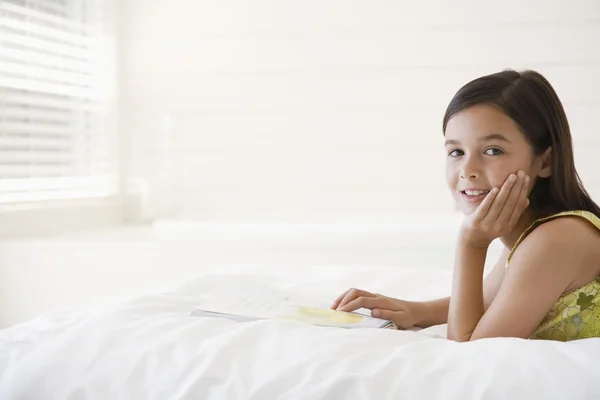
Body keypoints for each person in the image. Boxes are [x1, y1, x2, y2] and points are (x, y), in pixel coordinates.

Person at [330, 69, 600, 342]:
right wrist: (413, 310)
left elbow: (471, 349)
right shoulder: (528, 238)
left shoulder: (557, 239)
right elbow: (487, 303)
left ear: (545, 162)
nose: (467, 170)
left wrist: (472, 244)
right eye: (456, 152)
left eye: (493, 150)